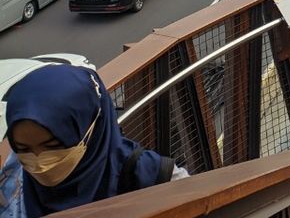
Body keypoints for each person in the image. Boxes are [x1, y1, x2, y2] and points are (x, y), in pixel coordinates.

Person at [4, 64, 185, 217]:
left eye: (53, 146)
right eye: (23, 149)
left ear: (91, 129)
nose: (39, 164)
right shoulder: (13, 178)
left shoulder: (151, 176)